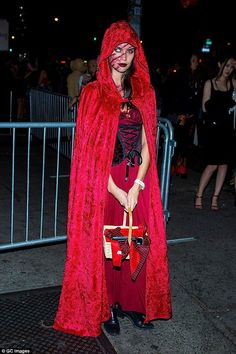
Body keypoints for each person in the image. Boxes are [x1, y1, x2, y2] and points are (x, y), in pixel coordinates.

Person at [53, 20, 172, 337]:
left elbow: (149, 145)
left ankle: (130, 304)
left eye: (129, 50)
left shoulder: (145, 92)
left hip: (138, 184)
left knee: (136, 244)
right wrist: (118, 191)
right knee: (106, 247)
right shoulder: (93, 94)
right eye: (117, 49)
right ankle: (105, 307)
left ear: (137, 54)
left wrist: (137, 185)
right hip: (105, 185)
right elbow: (91, 156)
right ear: (107, 53)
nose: (123, 56)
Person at [195, 54, 236, 210]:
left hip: (227, 129)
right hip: (213, 128)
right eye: (227, 66)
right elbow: (205, 107)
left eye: (232, 67)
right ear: (220, 64)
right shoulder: (210, 83)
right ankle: (199, 195)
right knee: (212, 164)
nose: (229, 69)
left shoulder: (232, 83)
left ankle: (215, 198)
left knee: (224, 165)